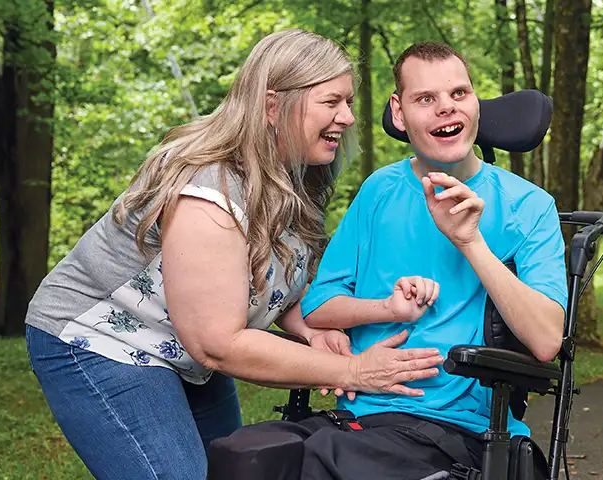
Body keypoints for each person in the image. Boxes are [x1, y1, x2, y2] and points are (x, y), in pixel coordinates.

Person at [23, 29, 447, 479]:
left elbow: (277, 278)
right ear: (271, 106)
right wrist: (353, 370)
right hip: (101, 340)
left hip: (185, 347)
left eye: (347, 102)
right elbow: (219, 343)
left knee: (233, 471)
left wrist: (311, 330)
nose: (346, 117)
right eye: (331, 102)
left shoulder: (297, 176)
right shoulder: (211, 188)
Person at [212, 41, 568, 479]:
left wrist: (471, 242)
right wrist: (388, 308)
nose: (446, 109)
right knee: (245, 456)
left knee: (322, 463)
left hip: (455, 428)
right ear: (399, 113)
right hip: (360, 413)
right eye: (426, 99)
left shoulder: (530, 206)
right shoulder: (380, 190)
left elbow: (548, 340)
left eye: (459, 94)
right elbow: (319, 307)